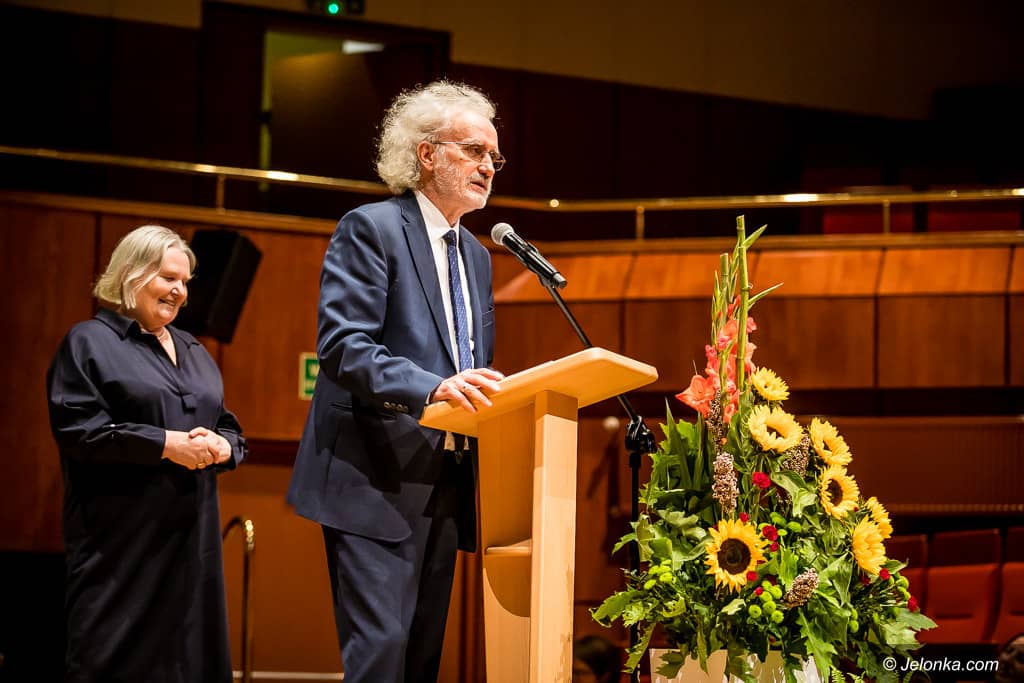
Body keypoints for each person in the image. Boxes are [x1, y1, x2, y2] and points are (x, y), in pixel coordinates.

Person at [286, 80, 505, 683]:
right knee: (381, 655)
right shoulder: (372, 228)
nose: (488, 166)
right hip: (372, 476)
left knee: (419, 661)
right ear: (427, 153)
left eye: (494, 156)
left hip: (444, 481)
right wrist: (431, 387)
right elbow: (344, 346)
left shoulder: (477, 255)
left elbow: (469, 360)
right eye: (473, 151)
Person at [46, 224, 247, 682]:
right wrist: (166, 444)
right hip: (123, 550)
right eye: (168, 278)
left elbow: (228, 425)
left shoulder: (194, 349)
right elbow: (80, 432)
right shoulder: (88, 343)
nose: (180, 292)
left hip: (193, 547)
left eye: (184, 282)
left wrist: (225, 446)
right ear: (130, 273)